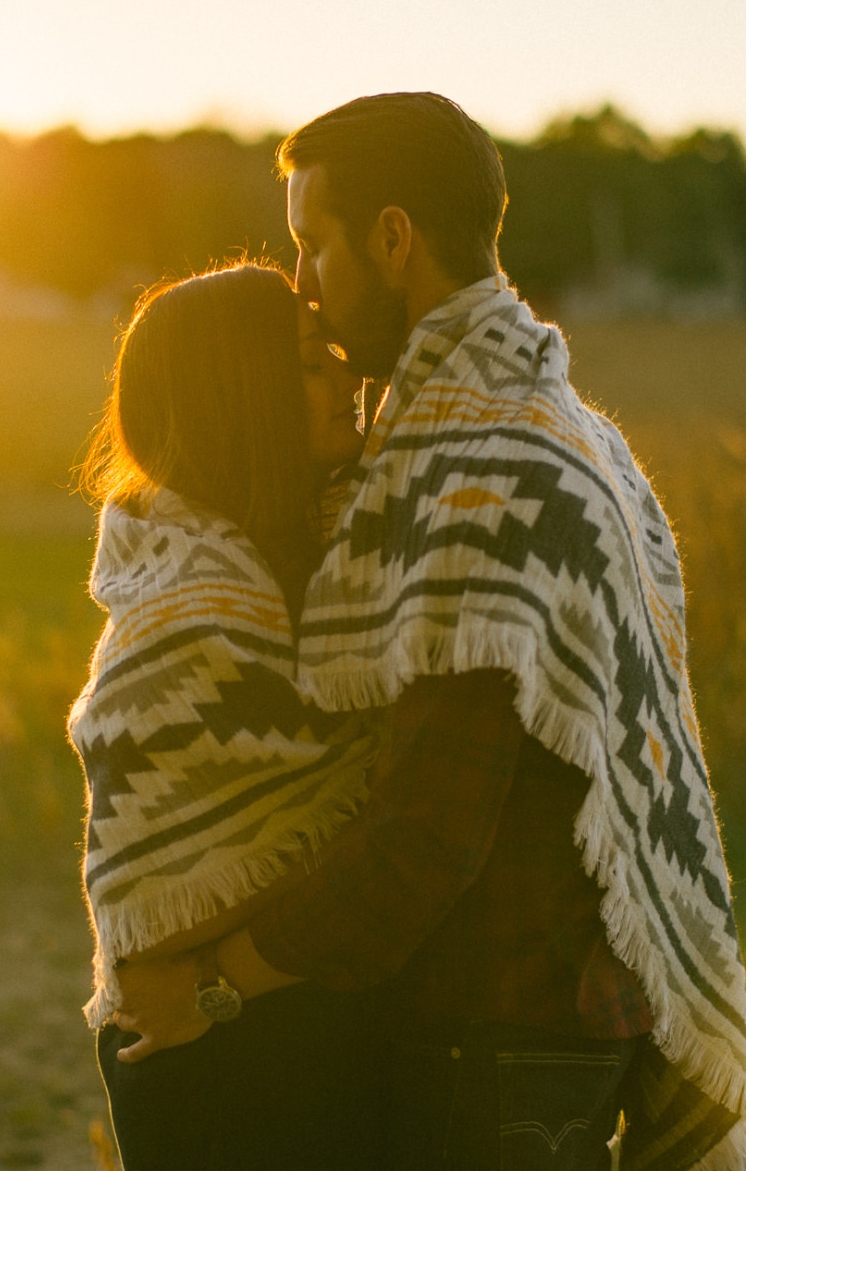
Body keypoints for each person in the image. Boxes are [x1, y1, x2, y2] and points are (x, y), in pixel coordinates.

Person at [109, 93, 746, 1170]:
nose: (300, 283)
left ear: (394, 237)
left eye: (313, 243)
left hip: (499, 1023)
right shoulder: (563, 428)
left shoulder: (478, 472)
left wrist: (212, 984)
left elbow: (425, 838)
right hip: (562, 1007)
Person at [70, 261, 388, 1168]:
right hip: (216, 1065)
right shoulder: (185, 619)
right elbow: (149, 923)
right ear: (236, 393)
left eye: (337, 354)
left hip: (305, 1043)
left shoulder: (325, 558)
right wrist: (218, 987)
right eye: (310, 364)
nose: (348, 378)